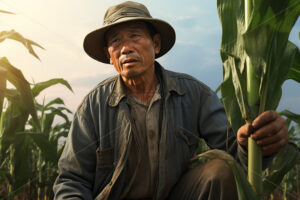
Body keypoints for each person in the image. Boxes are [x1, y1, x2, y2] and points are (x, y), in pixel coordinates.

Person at [53, 1, 289, 199]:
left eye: (134, 36)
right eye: (115, 41)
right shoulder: (93, 106)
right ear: (109, 56)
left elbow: (237, 156)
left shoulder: (194, 94)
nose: (125, 48)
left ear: (155, 44)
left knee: (221, 171)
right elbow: (72, 180)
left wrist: (256, 143)